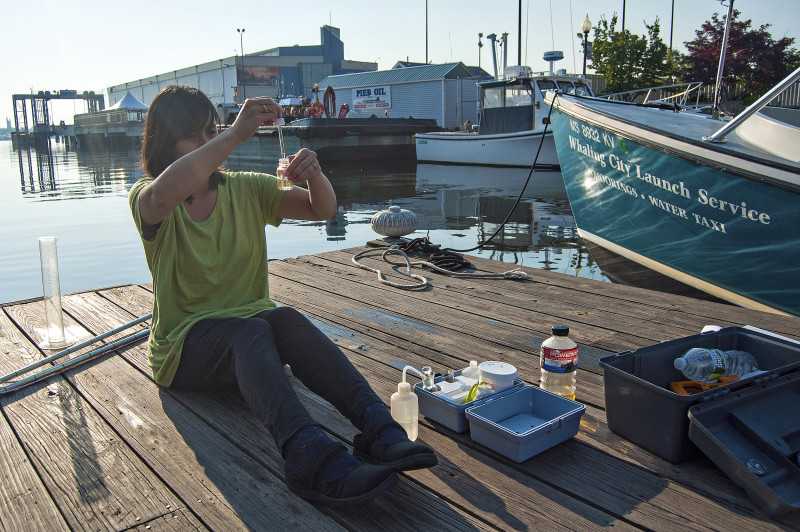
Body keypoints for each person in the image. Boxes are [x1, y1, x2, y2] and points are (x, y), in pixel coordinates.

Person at [128, 85, 436, 506]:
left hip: (249, 335)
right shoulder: (148, 196)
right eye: (194, 135)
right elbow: (162, 195)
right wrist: (235, 133)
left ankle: (379, 427)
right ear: (165, 142)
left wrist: (316, 174)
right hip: (184, 349)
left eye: (210, 131)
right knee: (248, 334)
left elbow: (321, 210)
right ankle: (307, 456)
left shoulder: (245, 188)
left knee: (283, 319)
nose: (207, 143)